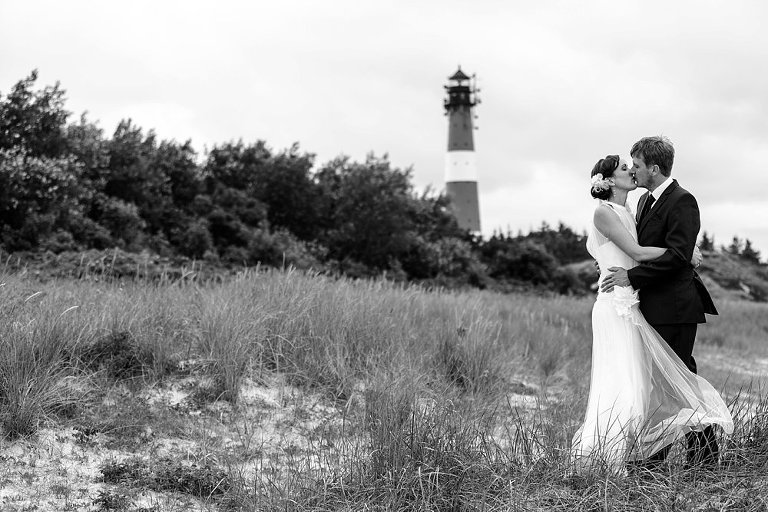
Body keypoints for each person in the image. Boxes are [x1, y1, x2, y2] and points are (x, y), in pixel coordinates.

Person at [572, 152, 733, 473]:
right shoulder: (608, 212)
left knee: (660, 377)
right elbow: (636, 252)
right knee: (628, 380)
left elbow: (632, 250)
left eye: (635, 165)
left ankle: (682, 457)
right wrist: (684, 252)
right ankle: (609, 454)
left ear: (654, 168)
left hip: (644, 302)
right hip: (618, 304)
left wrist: (682, 250)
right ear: (607, 180)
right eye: (624, 168)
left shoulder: (635, 207)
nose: (632, 171)